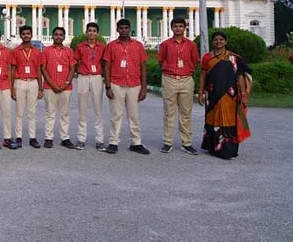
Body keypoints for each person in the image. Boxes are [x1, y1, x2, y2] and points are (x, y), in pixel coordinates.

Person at [198, 31, 251, 160]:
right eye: (216, 40)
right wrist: (200, 92)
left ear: (225, 42)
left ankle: (227, 150)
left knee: (228, 119)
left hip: (229, 94)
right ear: (212, 42)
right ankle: (213, 148)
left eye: (221, 39)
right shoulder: (207, 57)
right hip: (211, 94)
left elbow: (240, 76)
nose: (218, 42)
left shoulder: (234, 58)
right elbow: (203, 74)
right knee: (212, 119)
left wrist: (244, 93)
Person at [102, 19, 149, 155]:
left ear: (130, 29)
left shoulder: (138, 46)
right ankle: (113, 142)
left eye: (126, 28)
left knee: (134, 115)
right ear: (117, 29)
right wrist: (108, 87)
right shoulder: (111, 46)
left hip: (134, 84)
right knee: (116, 115)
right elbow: (106, 67)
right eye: (121, 28)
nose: (124, 30)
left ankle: (136, 143)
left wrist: (144, 88)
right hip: (116, 84)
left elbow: (143, 67)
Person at [158, 17, 199, 155]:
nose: (178, 28)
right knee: (169, 113)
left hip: (186, 79)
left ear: (184, 28)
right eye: (175, 26)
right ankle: (167, 142)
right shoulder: (166, 44)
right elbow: (161, 60)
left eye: (181, 26)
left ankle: (186, 143)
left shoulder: (191, 45)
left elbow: (195, 61)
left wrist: (187, 71)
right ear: (171, 28)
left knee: (186, 113)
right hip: (169, 79)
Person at [40, 27, 77, 150]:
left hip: (66, 88)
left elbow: (72, 68)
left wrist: (66, 83)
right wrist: (52, 84)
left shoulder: (69, 51)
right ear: (52, 36)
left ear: (64, 37)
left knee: (64, 114)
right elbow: (43, 69)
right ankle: (48, 138)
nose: (58, 37)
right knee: (50, 113)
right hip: (49, 87)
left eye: (61, 35)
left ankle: (65, 138)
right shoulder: (46, 51)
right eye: (56, 34)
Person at [10, 25, 44, 149]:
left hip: (33, 82)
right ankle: (18, 137)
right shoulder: (15, 51)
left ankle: (32, 138)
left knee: (32, 112)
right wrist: (12, 88)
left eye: (28, 33)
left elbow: (39, 70)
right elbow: (12, 69)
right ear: (20, 35)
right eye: (23, 34)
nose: (26, 36)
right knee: (19, 112)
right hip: (20, 82)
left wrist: (40, 88)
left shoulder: (37, 51)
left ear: (31, 35)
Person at [74, 22, 106, 151]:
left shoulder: (102, 47)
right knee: (82, 109)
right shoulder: (80, 46)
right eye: (89, 30)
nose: (91, 33)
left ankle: (99, 140)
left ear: (97, 33)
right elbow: (77, 61)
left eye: (94, 31)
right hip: (83, 77)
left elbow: (104, 63)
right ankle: (81, 139)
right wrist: (81, 71)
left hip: (96, 77)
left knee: (98, 109)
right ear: (86, 32)